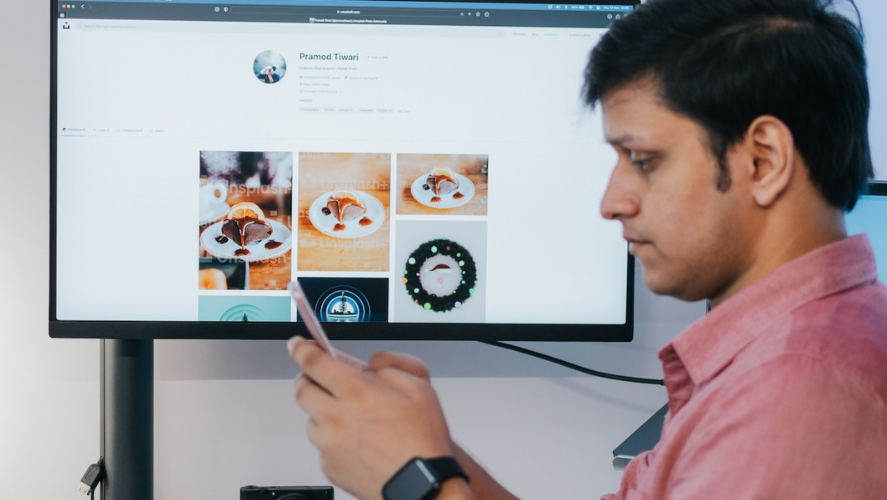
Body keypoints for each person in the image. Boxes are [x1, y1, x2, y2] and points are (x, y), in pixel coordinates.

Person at [288, 0, 887, 499]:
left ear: (764, 160)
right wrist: (427, 448)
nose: (612, 201)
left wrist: (412, 480)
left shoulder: (798, 394)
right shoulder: (769, 361)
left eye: (643, 160)